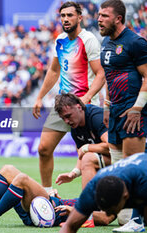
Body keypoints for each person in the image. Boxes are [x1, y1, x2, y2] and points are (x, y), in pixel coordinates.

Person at [32, 1, 106, 192]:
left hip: (83, 108)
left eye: (70, 15)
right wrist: (40, 97)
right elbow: (54, 71)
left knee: (90, 157)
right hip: (63, 105)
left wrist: (87, 98)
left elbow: (100, 73)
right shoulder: (60, 40)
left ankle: (98, 203)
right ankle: (47, 193)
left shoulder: (88, 40)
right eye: (63, 15)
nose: (65, 19)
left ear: (79, 17)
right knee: (43, 149)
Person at [98, 0, 147, 231]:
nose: (99, 19)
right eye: (98, 15)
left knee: (134, 168)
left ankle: (138, 220)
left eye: (104, 16)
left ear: (118, 18)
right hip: (115, 112)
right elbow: (110, 77)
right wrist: (107, 107)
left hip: (132, 112)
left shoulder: (135, 42)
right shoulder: (106, 42)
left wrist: (138, 107)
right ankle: (130, 214)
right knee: (119, 169)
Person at [0, 164, 114, 228]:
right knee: (7, 170)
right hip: (50, 203)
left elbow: (105, 219)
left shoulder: (110, 203)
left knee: (22, 179)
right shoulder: (96, 195)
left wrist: (71, 210)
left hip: (49, 214)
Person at [60, 153, 147, 233]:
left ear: (125, 196)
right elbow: (69, 226)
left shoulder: (142, 184)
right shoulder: (92, 189)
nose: (107, 214)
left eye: (111, 210)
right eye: (104, 209)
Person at [54, 93, 110, 189]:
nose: (66, 121)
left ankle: (86, 202)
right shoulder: (75, 127)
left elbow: (112, 145)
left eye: (68, 116)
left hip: (127, 156)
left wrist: (86, 148)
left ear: (79, 107)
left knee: (88, 158)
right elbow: (81, 156)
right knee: (87, 157)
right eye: (63, 118)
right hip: (109, 159)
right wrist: (73, 174)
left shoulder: (96, 116)